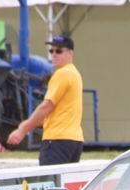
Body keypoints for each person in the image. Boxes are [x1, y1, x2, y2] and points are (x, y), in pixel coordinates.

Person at [7, 35, 84, 165]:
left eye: (59, 51)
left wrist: (23, 129)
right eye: (51, 50)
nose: (54, 54)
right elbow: (56, 112)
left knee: (49, 178)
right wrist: (34, 123)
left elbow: (46, 106)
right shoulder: (75, 74)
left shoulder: (62, 74)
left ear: (70, 53)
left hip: (57, 140)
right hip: (74, 141)